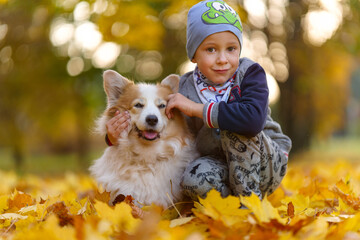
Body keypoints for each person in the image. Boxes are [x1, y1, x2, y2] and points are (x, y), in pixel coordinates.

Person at [105, 0, 292, 200]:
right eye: (211, 50)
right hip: (220, 165)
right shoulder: (184, 88)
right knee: (192, 181)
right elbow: (162, 119)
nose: (222, 59)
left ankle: (250, 206)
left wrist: (197, 109)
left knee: (233, 128)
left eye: (231, 49)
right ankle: (228, 205)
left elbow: (252, 121)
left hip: (266, 162)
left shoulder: (250, 73)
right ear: (194, 55)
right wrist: (112, 137)